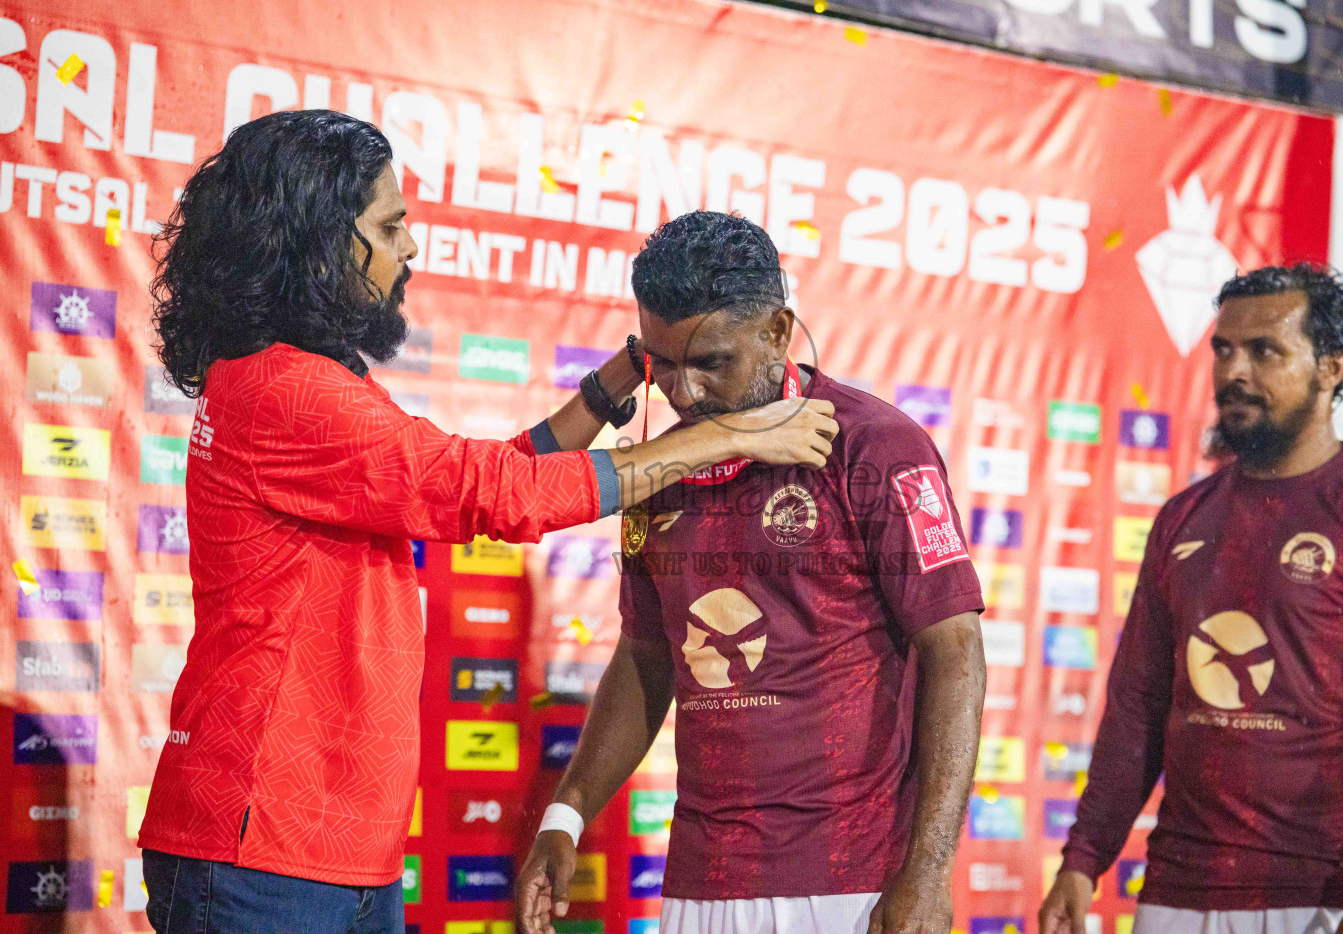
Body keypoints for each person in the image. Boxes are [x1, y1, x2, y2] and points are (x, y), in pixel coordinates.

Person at [136, 112, 837, 934]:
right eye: (390, 226)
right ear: (321, 243)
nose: (410, 249)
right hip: (263, 848)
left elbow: (486, 473)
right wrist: (729, 433)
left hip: (327, 846)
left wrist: (609, 390)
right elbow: (493, 493)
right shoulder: (288, 390)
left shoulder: (301, 381)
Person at [514, 211, 987, 934]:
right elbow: (647, 660)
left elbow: (953, 652)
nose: (685, 392)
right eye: (662, 364)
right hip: (699, 885)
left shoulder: (878, 446)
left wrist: (926, 872)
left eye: (711, 363)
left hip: (852, 883)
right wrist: (565, 815)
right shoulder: (660, 469)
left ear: (777, 331)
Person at [1040, 265, 1343, 934]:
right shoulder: (1182, 518)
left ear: (1331, 367)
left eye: (1264, 351)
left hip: (1327, 896)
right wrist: (1083, 858)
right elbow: (1137, 706)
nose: (1234, 370)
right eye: (1223, 349)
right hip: (1176, 893)